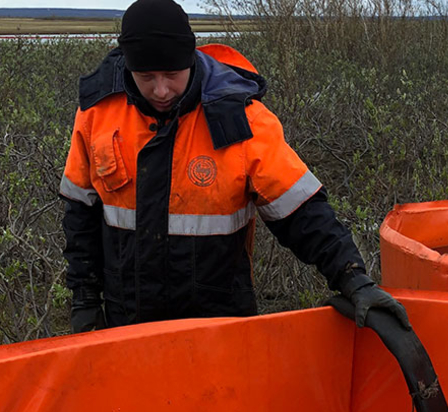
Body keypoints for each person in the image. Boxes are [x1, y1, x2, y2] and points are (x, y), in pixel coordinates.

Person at [58, 0, 409, 333]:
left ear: (191, 60)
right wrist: (85, 299)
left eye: (171, 74)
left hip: (220, 321)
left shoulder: (239, 118)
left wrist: (352, 278)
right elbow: (80, 215)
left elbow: (302, 212)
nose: (161, 90)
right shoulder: (97, 114)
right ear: (128, 65)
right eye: (146, 76)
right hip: (126, 320)